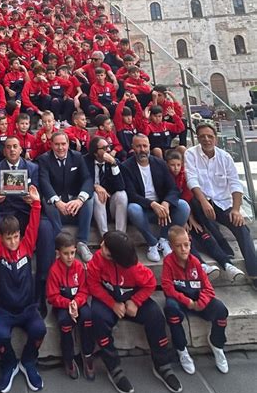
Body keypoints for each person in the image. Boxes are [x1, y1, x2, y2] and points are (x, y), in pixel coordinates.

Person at [88, 231, 182, 393]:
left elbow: (151, 283)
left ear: (115, 256)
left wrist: (136, 301)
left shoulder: (135, 269)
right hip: (108, 300)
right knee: (97, 317)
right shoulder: (98, 259)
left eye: (106, 246)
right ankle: (113, 367)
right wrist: (112, 304)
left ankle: (162, 364)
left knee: (155, 315)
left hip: (132, 299)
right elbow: (93, 284)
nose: (101, 245)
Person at [0, 182, 46, 393]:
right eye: (8, 238)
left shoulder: (26, 246)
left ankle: (28, 361)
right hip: (5, 310)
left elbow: (34, 227)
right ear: (2, 239)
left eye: (15, 237)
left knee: (40, 329)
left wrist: (36, 204)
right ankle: (10, 363)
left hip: (28, 308)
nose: (13, 242)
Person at [0, 136, 55, 317]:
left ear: (20, 149)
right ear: (4, 151)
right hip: (5, 214)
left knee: (46, 229)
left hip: (26, 212)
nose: (11, 150)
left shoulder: (32, 168)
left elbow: (38, 193)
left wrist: (33, 199)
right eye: (8, 147)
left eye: (15, 146)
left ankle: (41, 287)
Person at [185, 122, 257, 289]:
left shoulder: (225, 157)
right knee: (198, 206)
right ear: (197, 138)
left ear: (215, 138)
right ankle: (224, 251)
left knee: (242, 228)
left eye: (210, 136)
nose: (206, 139)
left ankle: (254, 273)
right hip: (201, 201)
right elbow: (192, 180)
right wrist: (203, 202)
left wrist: (236, 209)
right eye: (202, 136)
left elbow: (235, 184)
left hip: (223, 202)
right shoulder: (191, 154)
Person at [162, 225, 229, 375]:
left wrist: (201, 302)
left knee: (221, 309)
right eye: (178, 246)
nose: (183, 249)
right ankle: (182, 349)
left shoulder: (196, 263)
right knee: (170, 309)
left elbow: (208, 288)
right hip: (179, 300)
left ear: (190, 243)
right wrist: (187, 302)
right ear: (171, 246)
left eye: (186, 245)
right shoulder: (168, 262)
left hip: (197, 299)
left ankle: (217, 344)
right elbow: (168, 288)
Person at [121, 134, 190, 262]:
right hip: (143, 209)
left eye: (145, 146)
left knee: (183, 206)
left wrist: (166, 203)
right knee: (132, 208)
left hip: (162, 208)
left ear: (149, 147)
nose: (142, 149)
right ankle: (152, 243)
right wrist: (152, 204)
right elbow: (131, 194)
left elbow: (173, 188)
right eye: (138, 146)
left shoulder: (160, 163)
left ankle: (164, 239)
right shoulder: (126, 166)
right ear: (132, 148)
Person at [38, 131, 94, 263]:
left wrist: (79, 200)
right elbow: (44, 182)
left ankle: (82, 243)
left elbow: (87, 179)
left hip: (74, 203)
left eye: (63, 144)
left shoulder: (77, 157)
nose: (60, 148)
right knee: (48, 201)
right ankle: (61, 243)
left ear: (68, 144)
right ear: (51, 145)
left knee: (89, 200)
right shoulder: (44, 159)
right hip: (56, 207)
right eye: (57, 144)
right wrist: (58, 202)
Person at [46, 232, 95, 380]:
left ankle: (87, 355)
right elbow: (52, 296)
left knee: (87, 317)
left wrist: (76, 302)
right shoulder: (54, 271)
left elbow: (84, 290)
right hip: (62, 306)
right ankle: (68, 358)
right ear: (58, 253)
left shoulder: (79, 267)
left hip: (78, 303)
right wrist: (68, 304)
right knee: (65, 322)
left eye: (73, 253)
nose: (70, 257)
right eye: (66, 253)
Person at [84, 137, 128, 236]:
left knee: (122, 194)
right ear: (95, 152)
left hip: (111, 203)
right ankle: (105, 236)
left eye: (108, 147)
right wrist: (95, 186)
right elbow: (80, 182)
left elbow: (120, 186)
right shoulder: (85, 161)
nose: (108, 150)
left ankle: (120, 235)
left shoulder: (114, 161)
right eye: (104, 148)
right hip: (96, 204)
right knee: (97, 195)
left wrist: (113, 164)